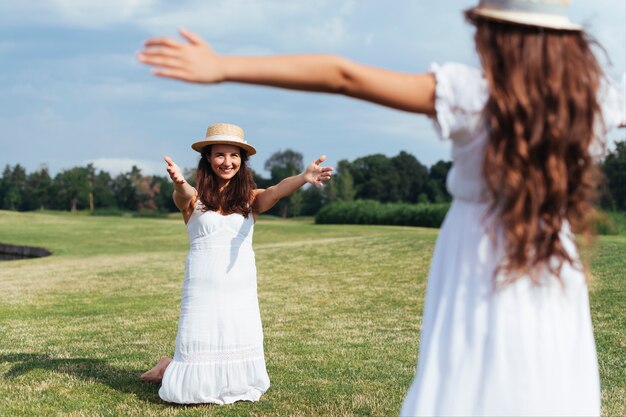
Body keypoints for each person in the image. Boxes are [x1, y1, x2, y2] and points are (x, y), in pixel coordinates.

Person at [138, 1, 625, 414]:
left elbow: (343, 75)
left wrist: (225, 66)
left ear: (496, 35)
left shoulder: (474, 94)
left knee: (465, 367)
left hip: (477, 252)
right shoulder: (594, 100)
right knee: (548, 361)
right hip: (554, 255)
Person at [140, 122, 333, 404]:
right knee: (192, 372)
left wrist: (304, 177)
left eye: (234, 156)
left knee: (234, 341)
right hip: (202, 288)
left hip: (239, 288)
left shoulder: (250, 200)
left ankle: (167, 365)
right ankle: (170, 366)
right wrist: (179, 182)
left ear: (242, 161)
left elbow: (277, 190)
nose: (227, 162)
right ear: (208, 157)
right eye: (220, 154)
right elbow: (181, 196)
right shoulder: (194, 198)